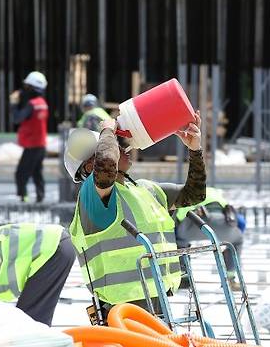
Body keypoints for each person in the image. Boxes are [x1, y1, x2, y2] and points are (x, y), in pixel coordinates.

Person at [64, 114, 205, 317]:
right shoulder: (91, 195)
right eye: (115, 146)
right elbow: (105, 164)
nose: (124, 148)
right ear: (89, 166)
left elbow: (195, 194)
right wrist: (107, 131)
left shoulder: (146, 190)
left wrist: (194, 149)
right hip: (122, 311)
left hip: (159, 303)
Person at [174, 187, 244, 291]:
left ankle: (184, 278)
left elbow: (176, 219)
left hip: (193, 224)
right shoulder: (219, 196)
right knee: (236, 241)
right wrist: (236, 234)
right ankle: (229, 278)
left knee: (179, 241)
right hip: (222, 225)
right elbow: (240, 221)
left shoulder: (186, 194)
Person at [10, 71, 49, 203]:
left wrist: (14, 104)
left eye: (27, 86)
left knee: (21, 174)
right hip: (40, 145)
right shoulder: (42, 103)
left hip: (32, 146)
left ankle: (24, 199)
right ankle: (40, 197)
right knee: (37, 173)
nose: (24, 89)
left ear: (32, 88)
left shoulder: (32, 104)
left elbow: (17, 118)